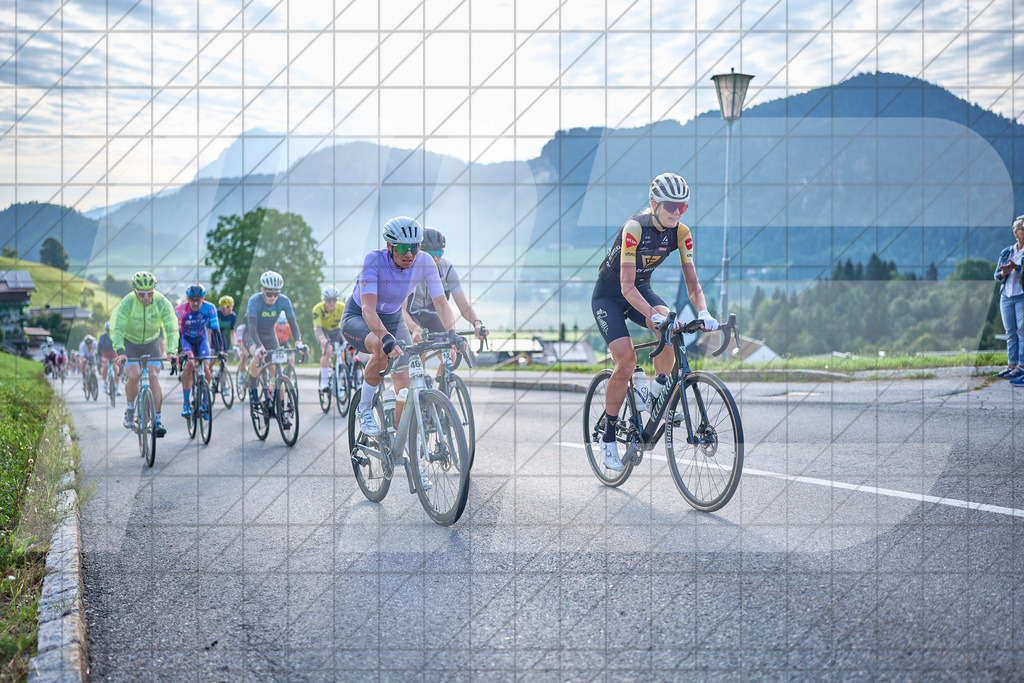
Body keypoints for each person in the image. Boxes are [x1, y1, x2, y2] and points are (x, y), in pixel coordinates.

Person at [591, 172, 719, 471]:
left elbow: (693, 285)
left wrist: (703, 312)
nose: (677, 212)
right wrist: (654, 315)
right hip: (610, 295)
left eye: (683, 207)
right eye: (671, 206)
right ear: (654, 204)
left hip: (642, 289)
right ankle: (608, 437)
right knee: (625, 361)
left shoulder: (682, 232)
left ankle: (658, 390)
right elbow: (625, 286)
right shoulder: (635, 227)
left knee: (672, 329)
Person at [341, 216, 464, 441]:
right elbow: (368, 308)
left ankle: (403, 441)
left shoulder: (424, 261)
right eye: (403, 247)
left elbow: (441, 303)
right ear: (389, 246)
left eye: (414, 247)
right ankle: (365, 407)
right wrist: (386, 337)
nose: (410, 254)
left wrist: (452, 333)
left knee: (405, 384)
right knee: (381, 348)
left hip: (393, 317)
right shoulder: (374, 260)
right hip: (359, 316)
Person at [403, 227, 487, 377]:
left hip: (433, 314)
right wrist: (415, 328)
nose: (435, 259)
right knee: (419, 352)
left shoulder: (446, 268)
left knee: (450, 354)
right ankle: (420, 393)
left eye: (439, 253)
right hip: (411, 315)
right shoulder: (409, 268)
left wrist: (477, 322)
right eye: (430, 254)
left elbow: (463, 304)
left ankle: (441, 390)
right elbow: (400, 310)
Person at [111, 271, 179, 436]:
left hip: (151, 342)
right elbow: (118, 329)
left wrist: (171, 352)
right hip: (129, 343)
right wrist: (120, 352)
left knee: (153, 376)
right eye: (142, 294)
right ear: (135, 291)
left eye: (150, 293)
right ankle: (129, 408)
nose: (146, 297)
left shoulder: (162, 302)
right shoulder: (127, 303)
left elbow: (171, 329)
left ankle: (157, 419)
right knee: (134, 375)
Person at [244, 271, 308, 404]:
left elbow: (293, 323)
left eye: (276, 294)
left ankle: (281, 408)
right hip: (252, 334)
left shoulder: (284, 300)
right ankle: (253, 388)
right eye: (269, 294)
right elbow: (252, 327)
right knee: (258, 355)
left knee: (276, 369)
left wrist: (298, 342)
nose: (273, 297)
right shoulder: (254, 301)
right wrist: (259, 346)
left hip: (269, 333)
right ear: (262, 290)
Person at [174, 284, 220, 417]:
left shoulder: (210, 308)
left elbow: (216, 331)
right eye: (192, 299)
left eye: (198, 300)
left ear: (203, 298)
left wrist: (219, 350)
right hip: (186, 340)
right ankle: (186, 403)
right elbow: (177, 334)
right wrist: (180, 352)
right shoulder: (180, 310)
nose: (195, 302)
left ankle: (205, 401)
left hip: (201, 339)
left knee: (206, 369)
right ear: (187, 298)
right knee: (189, 365)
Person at [995, 215, 1024, 384]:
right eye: (1022, 228)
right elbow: (996, 275)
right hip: (1006, 295)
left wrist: (1017, 267)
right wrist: (1003, 273)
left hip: (1021, 295)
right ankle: (1011, 366)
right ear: (1015, 232)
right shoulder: (1007, 251)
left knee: (1021, 332)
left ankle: (1021, 367)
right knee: (1010, 332)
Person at [313, 285, 344, 393]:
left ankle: (340, 382)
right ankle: (324, 382)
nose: (332, 303)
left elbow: (347, 325)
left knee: (342, 353)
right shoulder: (318, 309)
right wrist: (322, 339)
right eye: (329, 300)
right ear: (324, 300)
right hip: (324, 331)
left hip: (336, 331)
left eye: (334, 300)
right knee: (328, 351)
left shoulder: (342, 307)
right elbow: (318, 329)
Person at [98, 322, 121, 394]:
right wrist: (101, 357)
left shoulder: (116, 336)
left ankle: (117, 388)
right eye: (107, 330)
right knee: (105, 367)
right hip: (105, 353)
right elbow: (99, 348)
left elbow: (119, 346)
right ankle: (105, 384)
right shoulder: (102, 337)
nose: (108, 331)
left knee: (116, 368)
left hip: (114, 353)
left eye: (110, 329)